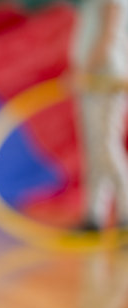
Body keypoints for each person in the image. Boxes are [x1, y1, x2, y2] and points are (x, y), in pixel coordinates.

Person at [72, 0, 128, 229]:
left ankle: (126, 216)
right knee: (94, 150)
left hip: (105, 77)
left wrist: (85, 71)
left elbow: (108, 32)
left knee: (106, 148)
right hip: (93, 80)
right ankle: (94, 216)